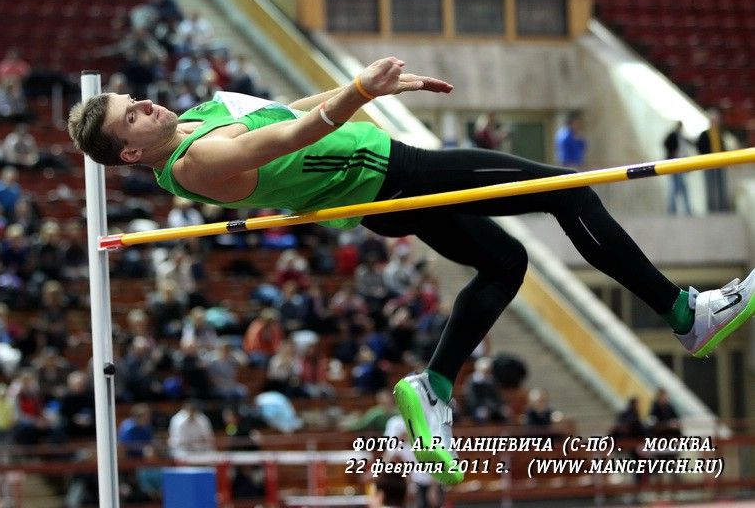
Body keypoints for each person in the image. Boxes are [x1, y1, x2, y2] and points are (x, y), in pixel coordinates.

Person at [67, 56, 755, 484]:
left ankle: (432, 386)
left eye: (137, 100)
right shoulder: (192, 165)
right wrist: (360, 92)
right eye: (133, 116)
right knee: (571, 189)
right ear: (129, 154)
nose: (146, 105)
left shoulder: (192, 120)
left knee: (505, 261)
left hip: (383, 183)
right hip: (394, 176)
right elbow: (290, 136)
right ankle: (685, 315)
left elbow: (285, 110)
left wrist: (365, 87)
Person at [696, 108, 731, 212]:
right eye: (714, 120)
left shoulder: (720, 133)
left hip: (720, 164)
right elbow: (699, 147)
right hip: (709, 164)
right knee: (710, 187)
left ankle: (723, 208)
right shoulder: (704, 134)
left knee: (722, 186)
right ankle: (711, 209)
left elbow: (723, 147)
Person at [663, 121, 692, 215]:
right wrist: (672, 152)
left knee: (680, 188)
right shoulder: (672, 135)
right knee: (676, 188)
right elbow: (665, 144)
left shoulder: (681, 137)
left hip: (680, 165)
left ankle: (679, 209)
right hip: (674, 165)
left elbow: (685, 150)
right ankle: (672, 209)